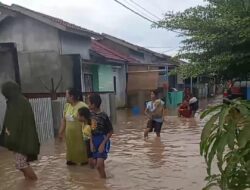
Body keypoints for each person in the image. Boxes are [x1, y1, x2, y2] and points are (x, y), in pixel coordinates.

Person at [0, 81, 40, 180]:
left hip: (21, 140)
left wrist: (10, 135)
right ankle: (29, 183)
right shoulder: (19, 101)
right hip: (22, 139)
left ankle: (34, 183)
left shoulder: (18, 102)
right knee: (21, 163)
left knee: (21, 164)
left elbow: (15, 122)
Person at [59, 88, 88, 165]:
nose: (66, 96)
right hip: (69, 137)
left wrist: (88, 136)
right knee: (70, 162)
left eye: (66, 95)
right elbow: (64, 120)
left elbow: (88, 121)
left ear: (72, 96)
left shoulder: (82, 106)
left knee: (82, 162)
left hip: (80, 138)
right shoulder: (67, 106)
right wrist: (60, 132)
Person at [88, 93, 113, 178]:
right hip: (94, 140)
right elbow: (90, 130)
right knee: (96, 164)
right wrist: (91, 142)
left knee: (99, 165)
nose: (88, 105)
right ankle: (103, 180)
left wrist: (103, 144)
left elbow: (111, 131)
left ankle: (104, 184)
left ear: (94, 104)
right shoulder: (90, 115)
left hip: (103, 139)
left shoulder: (104, 116)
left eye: (89, 103)